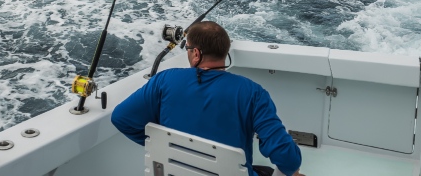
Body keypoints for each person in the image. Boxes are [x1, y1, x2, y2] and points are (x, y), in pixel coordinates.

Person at [111, 21, 304, 176]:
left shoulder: (164, 80)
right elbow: (288, 160)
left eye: (187, 48)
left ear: (196, 53)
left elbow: (121, 118)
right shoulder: (252, 92)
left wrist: (162, 145)